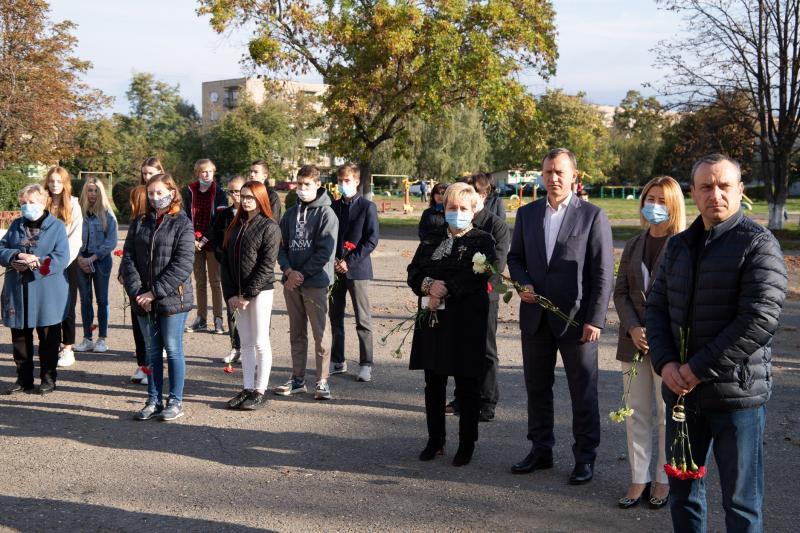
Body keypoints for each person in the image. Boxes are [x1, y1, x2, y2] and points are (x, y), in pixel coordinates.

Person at [646, 154, 787, 531]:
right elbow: (656, 307)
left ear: (740, 190)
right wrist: (666, 363)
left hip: (735, 398)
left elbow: (758, 320)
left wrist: (696, 368)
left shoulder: (758, 244)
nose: (716, 194)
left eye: (724, 185)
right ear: (693, 193)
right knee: (683, 496)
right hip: (682, 398)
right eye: (706, 186)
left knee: (741, 504)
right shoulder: (678, 246)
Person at [507, 147, 614, 484]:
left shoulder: (592, 216)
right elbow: (515, 258)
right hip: (535, 317)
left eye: (560, 172)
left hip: (576, 320)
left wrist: (595, 318)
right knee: (537, 388)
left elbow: (603, 272)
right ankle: (541, 450)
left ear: (573, 176)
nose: (553, 178)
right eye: (548, 172)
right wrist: (522, 283)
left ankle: (585, 457)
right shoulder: (527, 214)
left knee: (583, 392)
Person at [407, 182, 495, 467]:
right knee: (433, 382)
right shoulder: (432, 238)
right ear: (444, 208)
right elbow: (414, 271)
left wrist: (446, 289)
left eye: (462, 208)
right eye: (451, 207)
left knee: (467, 383)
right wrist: (427, 285)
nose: (457, 212)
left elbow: (478, 276)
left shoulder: (483, 240)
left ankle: (467, 443)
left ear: (473, 210)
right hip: (434, 319)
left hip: (466, 321)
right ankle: (436, 440)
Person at [613, 176, 686, 510]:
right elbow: (621, 292)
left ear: (673, 206)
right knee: (635, 413)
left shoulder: (683, 245)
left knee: (667, 414)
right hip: (633, 342)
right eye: (649, 199)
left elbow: (684, 299)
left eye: (661, 200)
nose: (654, 206)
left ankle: (662, 478)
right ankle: (638, 477)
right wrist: (633, 327)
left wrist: (654, 332)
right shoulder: (633, 243)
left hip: (668, 345)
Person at [121, 174, 195, 422]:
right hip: (143, 299)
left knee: (172, 349)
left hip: (172, 299)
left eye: (159, 192)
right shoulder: (140, 221)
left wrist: (154, 292)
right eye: (151, 193)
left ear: (172, 192)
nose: (154, 198)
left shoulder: (182, 223)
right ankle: (153, 400)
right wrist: (138, 292)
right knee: (152, 351)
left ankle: (175, 401)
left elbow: (183, 264)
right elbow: (128, 258)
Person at [445, 173, 510, 422]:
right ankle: (462, 397)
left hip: (485, 296)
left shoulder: (496, 225)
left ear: (481, 196)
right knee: (459, 347)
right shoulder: (458, 223)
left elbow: (496, 264)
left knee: (485, 349)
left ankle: (487, 401)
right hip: (457, 294)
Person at [274, 165, 338, 400]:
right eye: (299, 184)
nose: (302, 189)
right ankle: (298, 379)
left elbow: (324, 252)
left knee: (320, 333)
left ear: (318, 185)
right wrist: (289, 271)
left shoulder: (327, 214)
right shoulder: (290, 214)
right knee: (297, 332)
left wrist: (301, 274)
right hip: (291, 283)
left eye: (307, 184)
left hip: (316, 282)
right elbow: (281, 247)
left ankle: (322, 381)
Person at [1, 184, 70, 395]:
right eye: (23, 203)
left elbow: (61, 258)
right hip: (18, 289)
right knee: (20, 338)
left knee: (48, 337)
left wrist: (36, 264)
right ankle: (24, 379)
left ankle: (48, 378)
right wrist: (16, 256)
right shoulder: (16, 224)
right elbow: (2, 247)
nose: (27, 206)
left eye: (31, 202)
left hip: (47, 291)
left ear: (42, 202)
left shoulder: (57, 227)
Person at [220, 181, 281, 410]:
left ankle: (259, 390)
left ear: (260, 198)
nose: (245, 201)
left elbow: (266, 265)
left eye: (250, 197)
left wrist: (247, 294)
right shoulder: (235, 226)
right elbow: (225, 262)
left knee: (260, 341)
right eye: (242, 196)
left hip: (260, 291)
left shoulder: (269, 227)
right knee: (245, 342)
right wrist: (230, 294)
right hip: (237, 293)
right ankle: (247, 388)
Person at [328, 163, 380, 382]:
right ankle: (338, 360)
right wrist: (333, 260)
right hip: (334, 269)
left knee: (362, 319)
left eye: (347, 180)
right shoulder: (333, 206)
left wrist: (349, 262)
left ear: (357, 181)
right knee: (335, 317)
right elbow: (328, 236)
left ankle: (366, 363)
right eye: (340, 181)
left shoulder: (368, 207)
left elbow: (371, 240)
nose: (343, 184)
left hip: (357, 269)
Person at [127, 157, 165, 385]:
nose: (147, 177)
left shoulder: (167, 197)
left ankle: (154, 364)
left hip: (160, 273)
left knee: (157, 325)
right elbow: (131, 240)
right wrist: (127, 273)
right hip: (140, 270)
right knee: (139, 320)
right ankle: (143, 364)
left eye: (151, 173)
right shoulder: (140, 194)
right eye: (144, 173)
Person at [43, 167, 83, 368]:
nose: (55, 185)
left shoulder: (74, 205)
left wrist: (60, 262)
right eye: (52, 181)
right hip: (44, 262)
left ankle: (68, 347)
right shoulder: (42, 202)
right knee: (48, 304)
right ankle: (52, 345)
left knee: (67, 304)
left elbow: (75, 237)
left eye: (59, 181)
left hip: (66, 261)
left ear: (65, 183)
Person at [74, 177, 119, 354]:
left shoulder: (107, 214)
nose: (92, 194)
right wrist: (79, 258)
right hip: (80, 261)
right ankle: (87, 338)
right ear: (85, 192)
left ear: (101, 193)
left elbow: (111, 241)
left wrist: (92, 258)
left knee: (102, 300)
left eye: (96, 190)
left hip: (100, 261)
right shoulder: (78, 212)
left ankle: (102, 339)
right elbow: (71, 236)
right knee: (85, 300)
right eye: (89, 190)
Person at [183, 159, 228, 335]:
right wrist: (192, 238)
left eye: (210, 171)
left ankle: (218, 319)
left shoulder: (220, 193)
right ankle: (201, 318)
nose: (207, 174)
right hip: (194, 243)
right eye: (203, 171)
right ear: (198, 173)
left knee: (215, 282)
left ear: (214, 172)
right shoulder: (189, 191)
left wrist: (204, 239)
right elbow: (185, 216)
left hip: (213, 243)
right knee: (200, 282)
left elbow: (218, 220)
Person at [212, 175, 245, 364]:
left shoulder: (251, 214)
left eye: (238, 191)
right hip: (228, 270)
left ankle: (249, 348)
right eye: (231, 191)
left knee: (248, 312)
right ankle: (235, 347)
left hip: (247, 272)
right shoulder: (224, 215)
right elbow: (216, 239)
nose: (234, 195)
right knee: (232, 310)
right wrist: (223, 258)